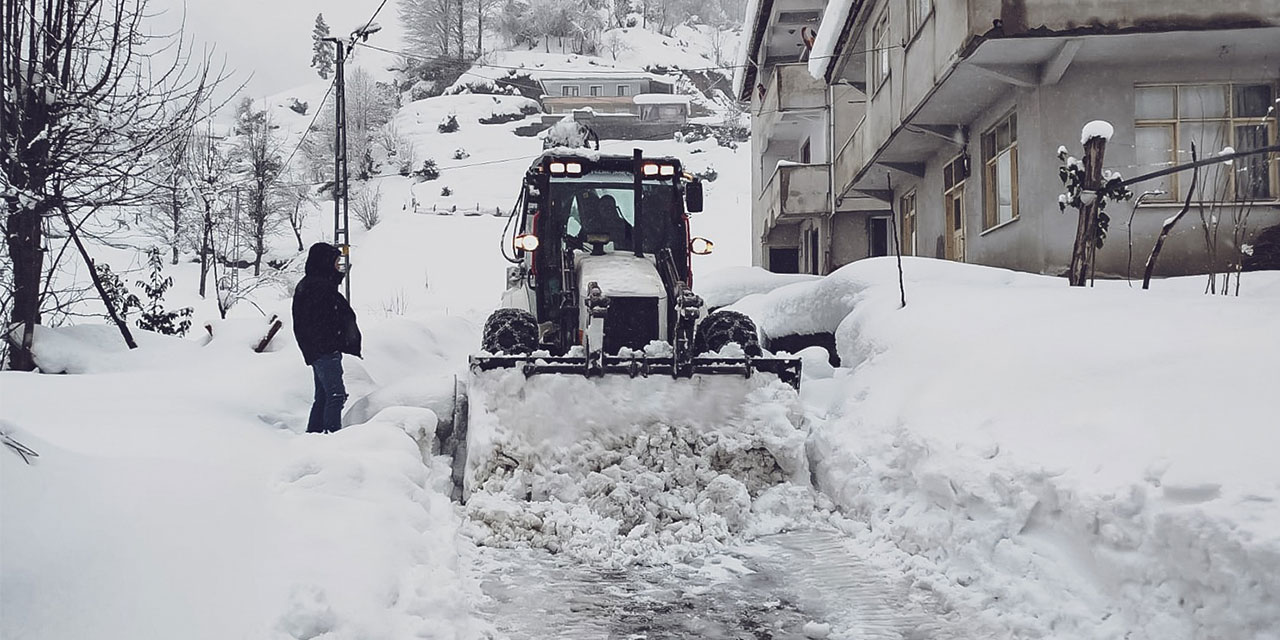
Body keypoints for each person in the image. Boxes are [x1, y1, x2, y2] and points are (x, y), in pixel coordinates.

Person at [292, 242, 362, 433]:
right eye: (335, 262)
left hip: (318, 350)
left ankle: (314, 435)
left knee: (323, 396)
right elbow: (322, 322)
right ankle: (332, 437)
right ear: (324, 263)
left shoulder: (312, 284)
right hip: (324, 350)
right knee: (336, 395)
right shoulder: (318, 288)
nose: (337, 266)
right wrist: (332, 344)